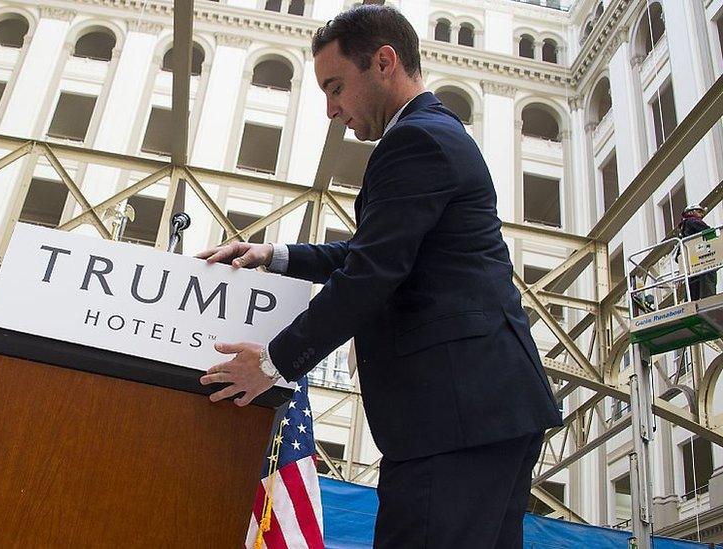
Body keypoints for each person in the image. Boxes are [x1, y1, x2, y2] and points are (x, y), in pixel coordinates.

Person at [195, 5, 562, 547]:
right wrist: (275, 255)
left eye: (336, 86)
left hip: (454, 416)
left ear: (384, 61)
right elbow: (381, 254)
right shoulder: (430, 134)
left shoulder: (415, 141)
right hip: (478, 412)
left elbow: (372, 272)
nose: (330, 109)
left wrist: (272, 363)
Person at [677, 204, 717, 300]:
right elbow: (709, 233)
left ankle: (691, 301)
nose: (701, 214)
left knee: (693, 283)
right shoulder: (692, 221)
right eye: (699, 211)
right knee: (707, 277)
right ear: (691, 212)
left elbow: (679, 253)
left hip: (693, 261)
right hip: (703, 258)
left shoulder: (684, 228)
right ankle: (708, 300)